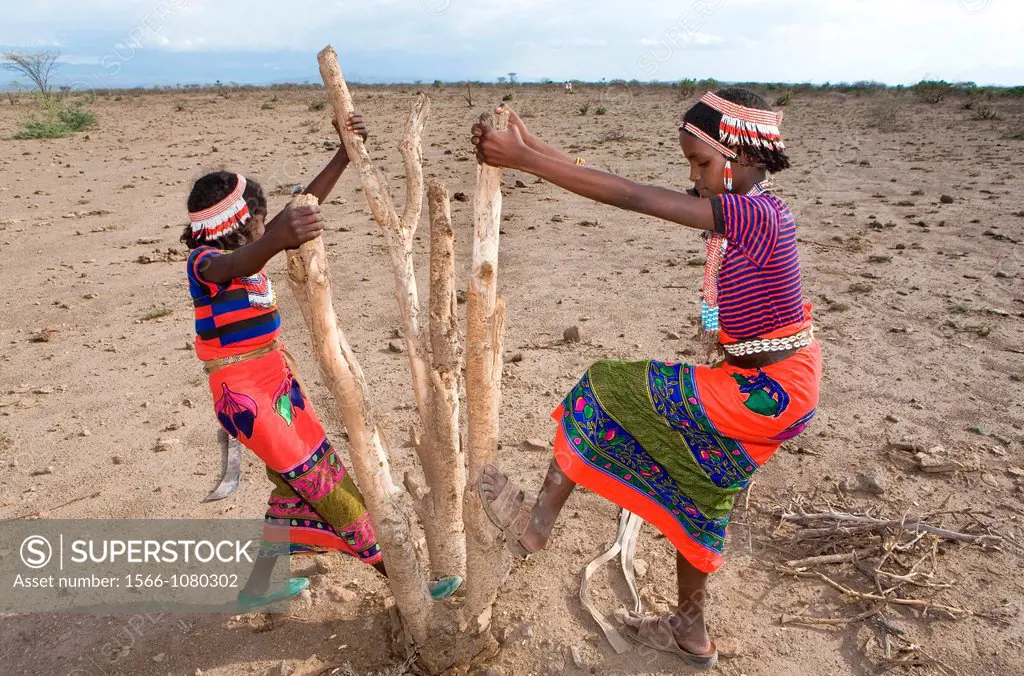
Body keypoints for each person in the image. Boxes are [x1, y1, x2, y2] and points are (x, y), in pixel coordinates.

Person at [470, 90, 821, 668]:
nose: (695, 178)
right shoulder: (750, 203)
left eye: (701, 164)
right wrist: (531, 146)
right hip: (778, 389)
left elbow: (633, 197)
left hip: (767, 393)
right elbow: (622, 182)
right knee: (701, 490)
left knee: (605, 385)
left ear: (735, 155)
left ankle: (535, 526)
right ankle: (691, 631)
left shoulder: (754, 214)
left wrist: (524, 161)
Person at [182, 113, 461, 611]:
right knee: (322, 480)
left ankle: (257, 589)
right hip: (246, 396)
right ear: (242, 223)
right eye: (262, 221)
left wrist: (343, 153)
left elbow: (301, 212)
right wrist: (275, 239)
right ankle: (406, 581)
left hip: (275, 383)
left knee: (291, 486)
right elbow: (240, 262)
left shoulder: (250, 248)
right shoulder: (206, 264)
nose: (268, 227)